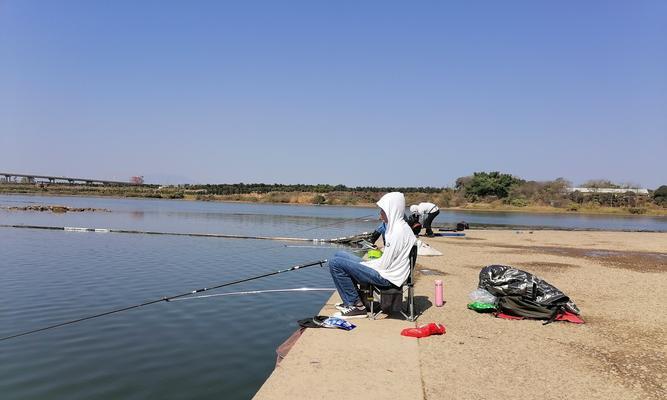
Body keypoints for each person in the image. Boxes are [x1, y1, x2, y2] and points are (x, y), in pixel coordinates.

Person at [328, 192, 417, 319]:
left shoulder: (397, 232)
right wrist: (362, 265)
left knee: (335, 263)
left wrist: (364, 265)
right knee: (339, 254)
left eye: (382, 211)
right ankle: (354, 299)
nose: (380, 215)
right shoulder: (398, 226)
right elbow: (386, 261)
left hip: (388, 278)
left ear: (391, 210)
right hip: (389, 271)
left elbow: (384, 265)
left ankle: (356, 306)